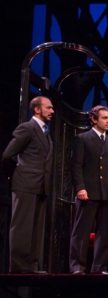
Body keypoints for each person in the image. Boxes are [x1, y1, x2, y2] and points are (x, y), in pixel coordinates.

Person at [68, 105, 108, 274]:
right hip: (88, 192)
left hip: (106, 193)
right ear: (94, 119)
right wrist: (80, 187)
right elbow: (76, 166)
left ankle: (99, 267)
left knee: (103, 232)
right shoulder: (83, 139)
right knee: (81, 231)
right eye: (104, 118)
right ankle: (77, 266)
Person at [2, 96, 54, 274]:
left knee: (35, 229)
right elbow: (8, 155)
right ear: (37, 109)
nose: (52, 111)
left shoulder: (46, 132)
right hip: (25, 184)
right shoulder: (27, 128)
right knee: (22, 227)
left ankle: (31, 266)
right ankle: (18, 266)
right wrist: (15, 177)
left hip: (40, 186)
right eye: (48, 108)